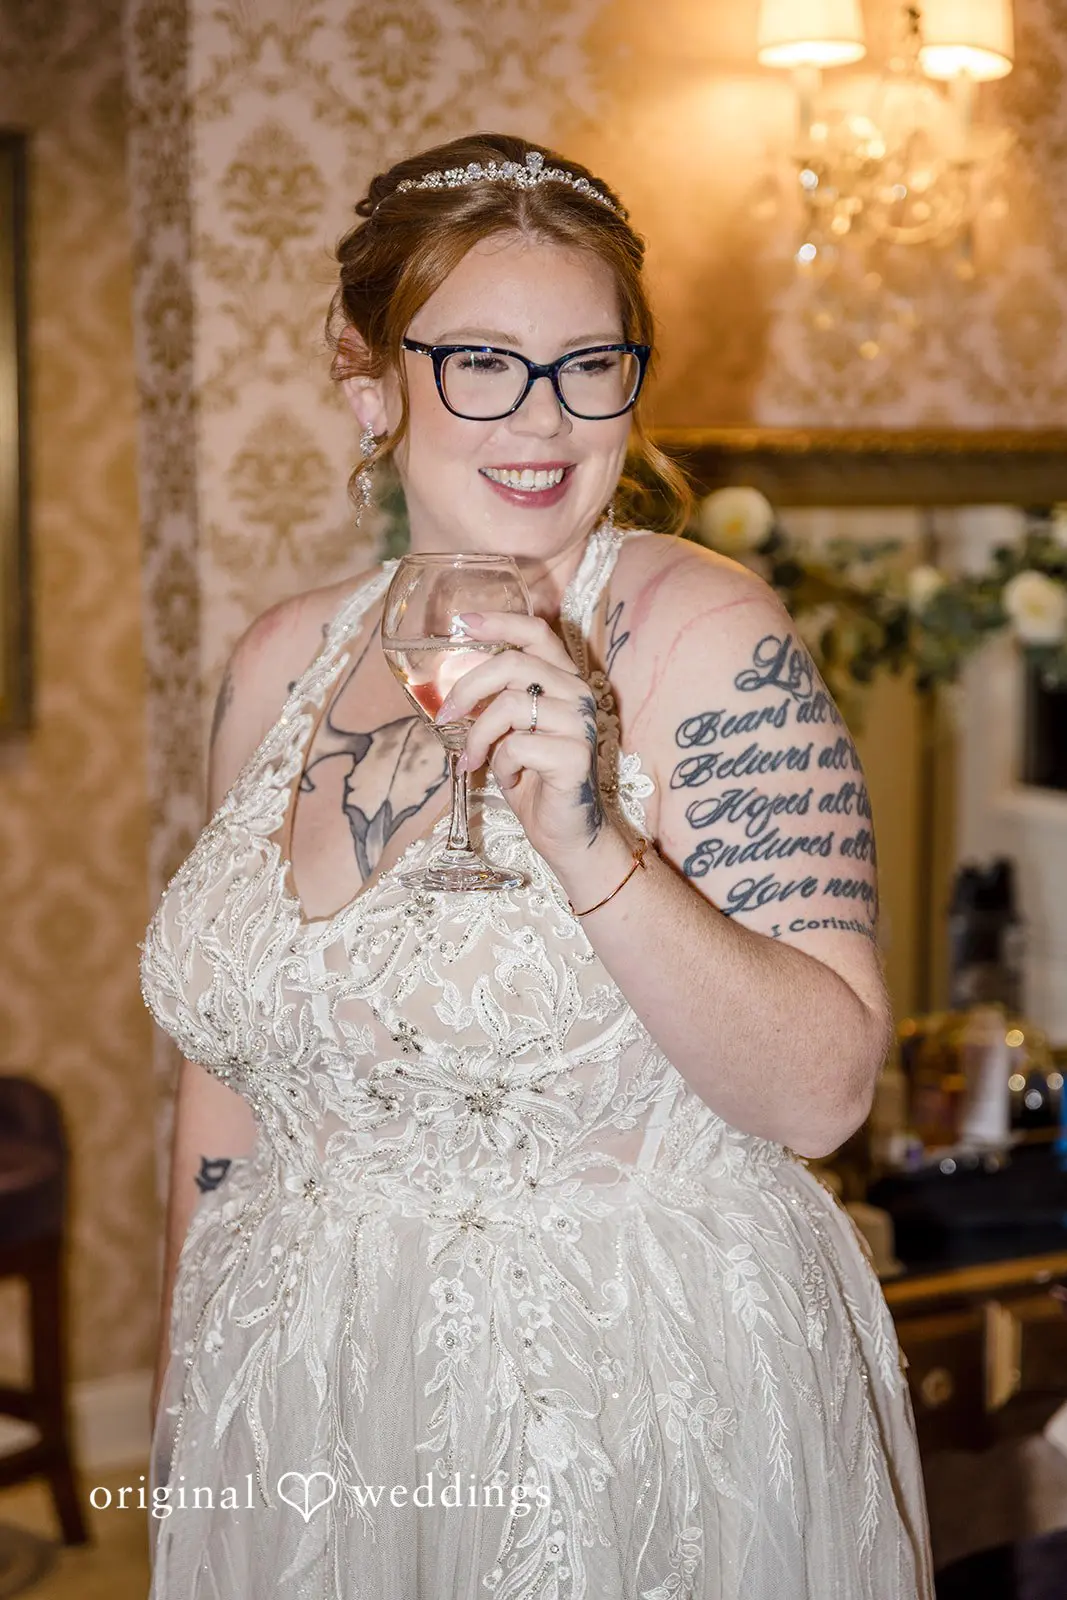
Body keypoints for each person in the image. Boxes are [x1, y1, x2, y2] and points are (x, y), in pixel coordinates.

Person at [140, 131, 934, 1598]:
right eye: (483, 363)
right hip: (308, 1394)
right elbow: (232, 1073)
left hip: (611, 1405)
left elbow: (820, 1088)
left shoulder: (699, 636)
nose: (546, 417)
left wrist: (590, 842)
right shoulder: (274, 663)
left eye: (590, 363)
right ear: (369, 377)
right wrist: (192, 1406)